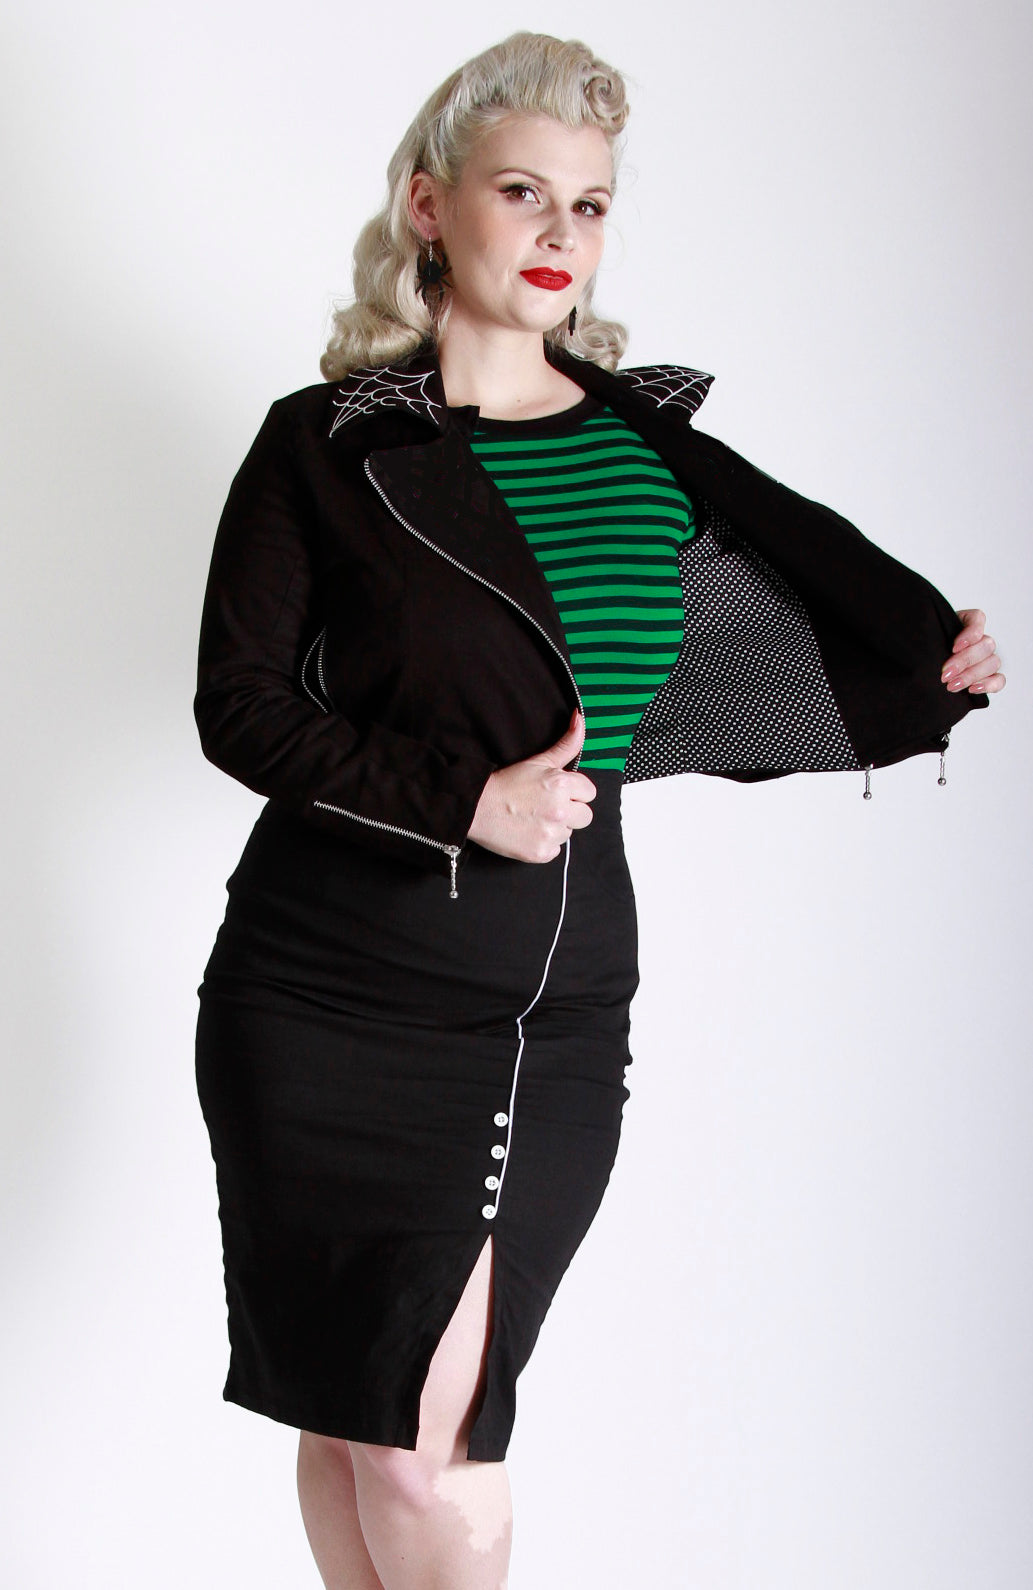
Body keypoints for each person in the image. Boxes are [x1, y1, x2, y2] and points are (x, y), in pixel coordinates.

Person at [193, 32, 1005, 1590]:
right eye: (521, 192)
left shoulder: (643, 453)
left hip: (542, 1008)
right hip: (316, 989)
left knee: (431, 1447)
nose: (560, 233)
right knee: (356, 1419)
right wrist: (462, 800)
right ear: (429, 206)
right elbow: (241, 705)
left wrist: (918, 669)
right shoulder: (329, 443)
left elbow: (705, 669)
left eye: (589, 203)